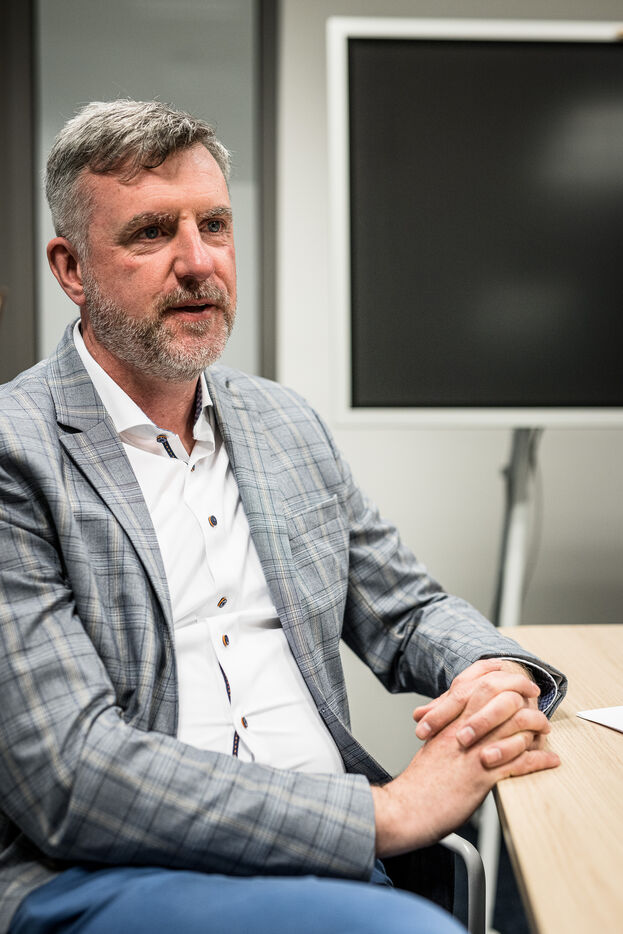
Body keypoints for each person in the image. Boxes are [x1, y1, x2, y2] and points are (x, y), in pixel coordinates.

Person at [0, 100, 566, 934]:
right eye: (151, 232)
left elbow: (405, 611)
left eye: (214, 225)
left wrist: (490, 671)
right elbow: (70, 775)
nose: (198, 263)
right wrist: (386, 813)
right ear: (71, 268)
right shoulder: (16, 452)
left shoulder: (282, 423)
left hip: (336, 864)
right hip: (116, 872)